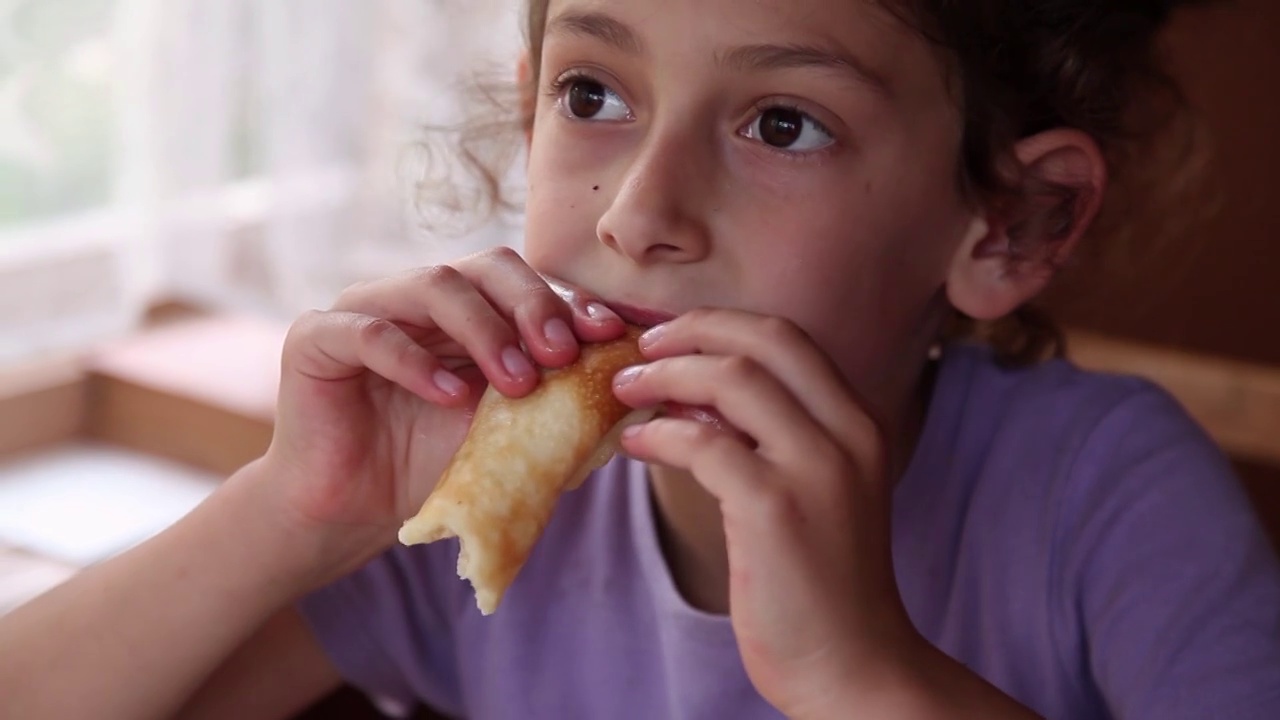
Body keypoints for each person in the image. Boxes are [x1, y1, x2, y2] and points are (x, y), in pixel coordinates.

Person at [3, 0, 1278, 718]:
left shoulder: (1111, 494)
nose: (634, 214)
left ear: (1010, 222)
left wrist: (854, 671)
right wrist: (288, 509)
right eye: (593, 97)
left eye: (783, 123)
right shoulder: (453, 533)